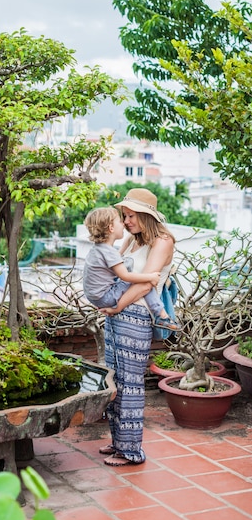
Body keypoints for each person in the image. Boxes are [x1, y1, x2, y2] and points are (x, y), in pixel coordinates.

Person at [97, 188, 176, 467]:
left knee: (130, 385)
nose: (126, 220)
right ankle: (118, 441)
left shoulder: (162, 241)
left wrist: (117, 305)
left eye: (131, 215)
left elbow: (146, 283)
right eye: (125, 215)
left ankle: (131, 451)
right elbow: (115, 270)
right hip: (116, 318)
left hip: (136, 319)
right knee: (114, 381)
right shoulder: (132, 240)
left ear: (146, 215)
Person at [83, 206, 178, 330]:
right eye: (122, 218)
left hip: (107, 303)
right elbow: (126, 276)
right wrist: (150, 276)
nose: (125, 222)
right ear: (111, 228)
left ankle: (161, 314)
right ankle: (161, 314)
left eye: (130, 216)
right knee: (142, 280)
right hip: (112, 304)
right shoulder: (115, 248)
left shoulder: (97, 249)